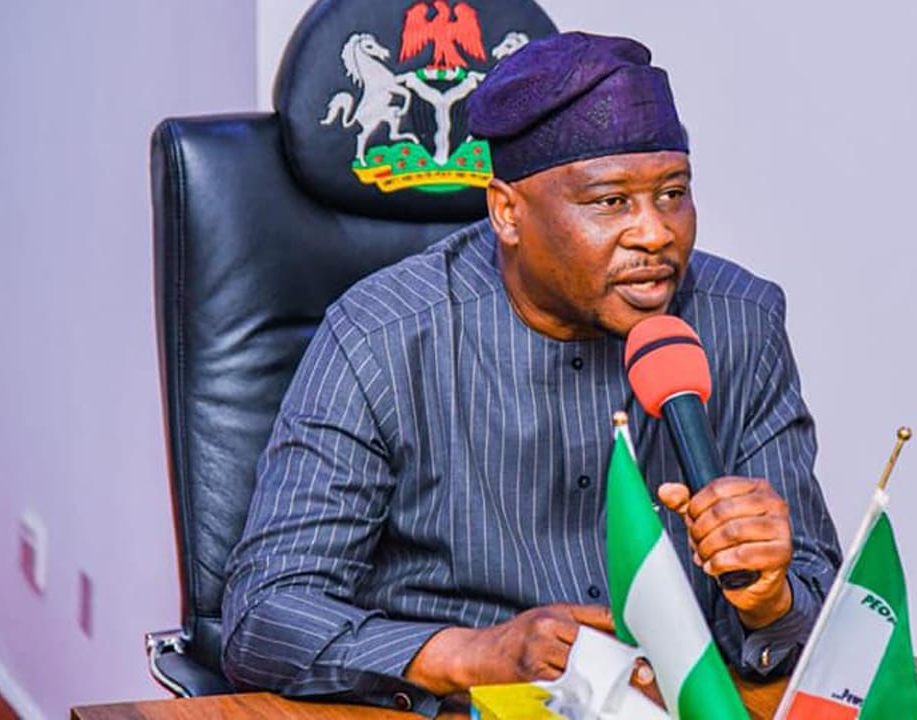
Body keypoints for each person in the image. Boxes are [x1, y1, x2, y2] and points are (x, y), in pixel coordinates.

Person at [222, 31, 841, 716]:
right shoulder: (381, 336)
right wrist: (470, 654)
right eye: (610, 202)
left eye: (672, 193)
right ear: (507, 213)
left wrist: (770, 599)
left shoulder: (741, 321)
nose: (656, 233)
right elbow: (268, 613)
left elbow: (823, 614)